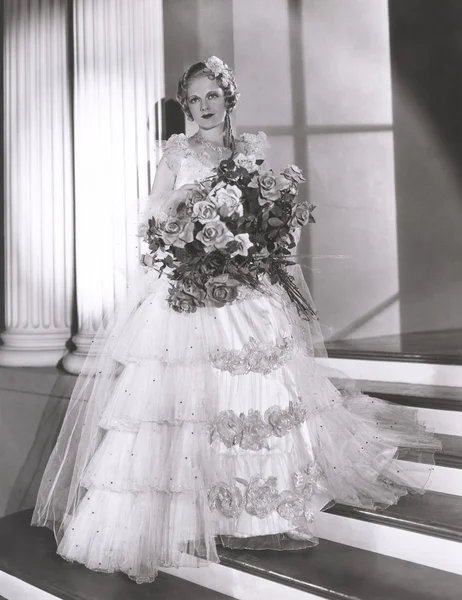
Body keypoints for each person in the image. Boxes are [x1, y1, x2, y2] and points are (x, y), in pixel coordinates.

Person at [32, 57, 441, 584]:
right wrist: (186, 231)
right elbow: (153, 218)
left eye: (212, 97)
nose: (203, 108)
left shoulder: (248, 152)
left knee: (259, 395)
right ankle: (194, 514)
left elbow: (269, 227)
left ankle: (262, 512)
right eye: (194, 99)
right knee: (187, 404)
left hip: (245, 284)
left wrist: (262, 257)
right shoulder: (177, 153)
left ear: (229, 100)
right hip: (190, 287)